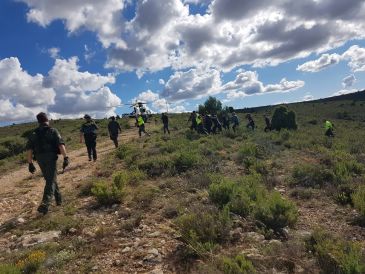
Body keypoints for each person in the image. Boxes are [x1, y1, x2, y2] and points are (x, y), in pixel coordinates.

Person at [26, 112, 69, 215]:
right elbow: (61, 145)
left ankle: (59, 200)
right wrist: (66, 157)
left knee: (51, 178)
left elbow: (29, 150)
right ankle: (45, 204)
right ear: (47, 120)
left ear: (38, 121)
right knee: (50, 180)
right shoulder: (53, 130)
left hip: (40, 159)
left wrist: (30, 163)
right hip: (50, 157)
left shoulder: (33, 133)